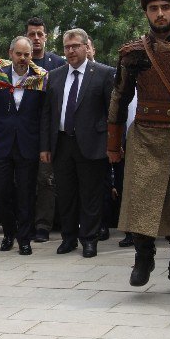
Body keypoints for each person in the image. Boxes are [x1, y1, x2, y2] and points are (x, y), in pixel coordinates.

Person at [107, 0, 170, 298]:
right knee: (141, 201)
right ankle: (143, 260)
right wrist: (113, 144)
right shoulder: (133, 53)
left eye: (165, 7)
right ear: (146, 12)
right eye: (153, 8)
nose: (160, 14)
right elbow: (120, 97)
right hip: (145, 135)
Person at [42, 28, 115, 258]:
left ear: (86, 46)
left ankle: (90, 240)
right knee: (65, 194)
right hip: (62, 143)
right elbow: (47, 115)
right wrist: (45, 146)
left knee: (90, 195)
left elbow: (111, 113)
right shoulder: (54, 76)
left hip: (92, 144)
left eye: (75, 46)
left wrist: (111, 144)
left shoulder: (103, 74)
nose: (71, 50)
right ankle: (69, 238)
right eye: (67, 47)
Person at [0, 36, 46, 255]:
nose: (23, 58)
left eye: (26, 54)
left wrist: (44, 145)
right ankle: (9, 232)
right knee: (1, 192)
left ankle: (24, 238)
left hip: (28, 143)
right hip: (1, 143)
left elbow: (44, 116)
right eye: (18, 54)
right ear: (10, 54)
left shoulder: (39, 78)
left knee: (26, 194)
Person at [26, 17, 65, 242]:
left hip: (50, 131)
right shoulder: (20, 65)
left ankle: (43, 225)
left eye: (40, 34)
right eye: (32, 34)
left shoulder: (58, 63)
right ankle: (26, 222)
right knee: (24, 180)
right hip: (25, 131)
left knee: (47, 180)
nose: (37, 38)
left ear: (46, 36)